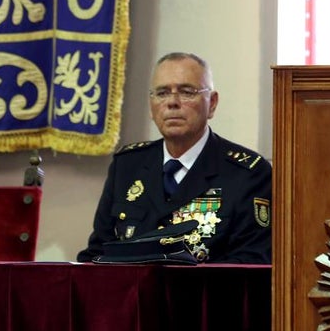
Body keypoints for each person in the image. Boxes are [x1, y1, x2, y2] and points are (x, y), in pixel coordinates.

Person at [78, 52, 272, 264]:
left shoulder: (248, 173)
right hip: (132, 295)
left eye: (187, 92)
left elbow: (251, 263)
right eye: (162, 93)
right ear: (151, 106)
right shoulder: (127, 165)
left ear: (212, 103)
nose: (172, 102)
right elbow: (97, 253)